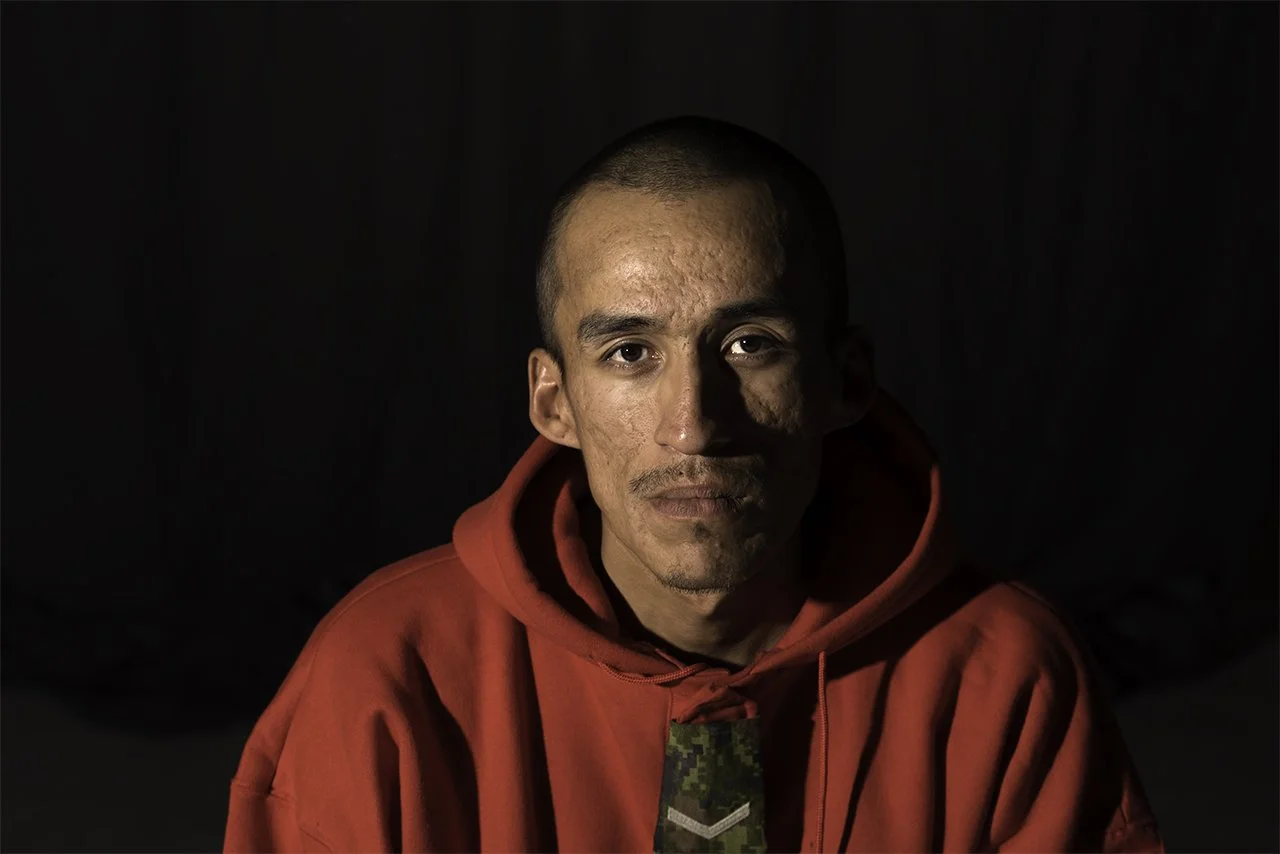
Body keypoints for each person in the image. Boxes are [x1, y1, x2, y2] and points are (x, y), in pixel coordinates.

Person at [224, 116, 1163, 853]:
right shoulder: (382, 676)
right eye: (630, 352)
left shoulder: (1006, 677)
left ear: (846, 383)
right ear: (554, 402)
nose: (694, 424)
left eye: (751, 345)